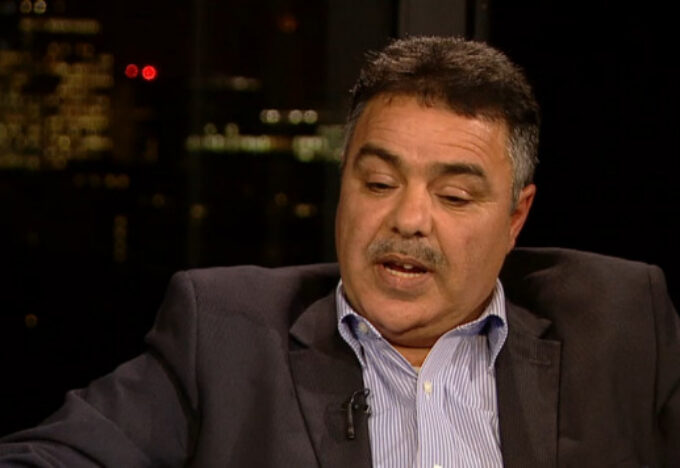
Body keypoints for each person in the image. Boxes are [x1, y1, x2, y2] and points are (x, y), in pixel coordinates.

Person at [1, 36, 678, 467]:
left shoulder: (617, 324)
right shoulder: (228, 334)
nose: (408, 219)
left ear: (515, 216)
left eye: (454, 196)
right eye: (378, 183)